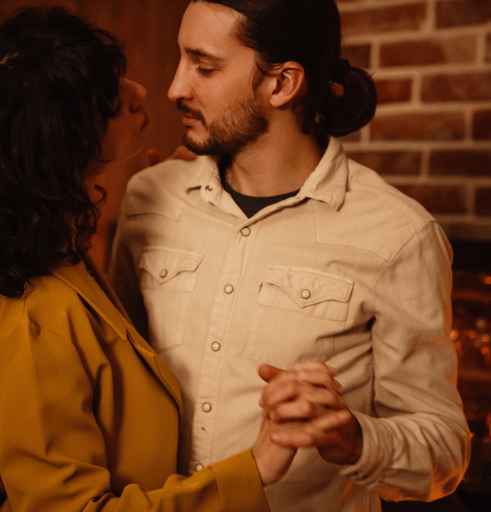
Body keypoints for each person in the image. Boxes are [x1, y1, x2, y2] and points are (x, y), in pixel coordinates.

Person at [0, 7, 330, 512]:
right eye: (107, 100)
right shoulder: (39, 311)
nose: (141, 91)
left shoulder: (43, 258)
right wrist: (257, 466)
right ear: (54, 151)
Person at [108, 1, 471, 511]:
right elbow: (111, 371)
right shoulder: (149, 198)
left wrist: (354, 437)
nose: (175, 87)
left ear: (282, 83)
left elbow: (444, 450)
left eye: (204, 66)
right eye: (180, 59)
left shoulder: (398, 235)